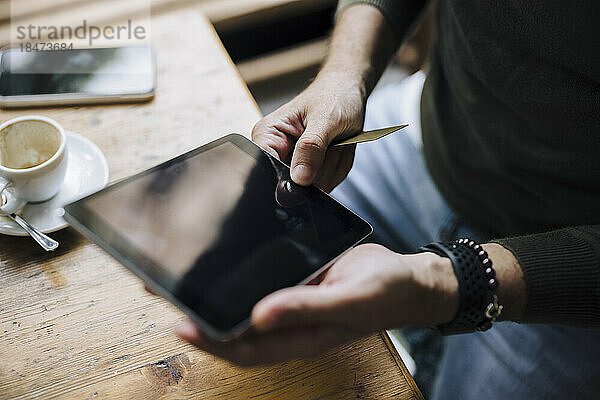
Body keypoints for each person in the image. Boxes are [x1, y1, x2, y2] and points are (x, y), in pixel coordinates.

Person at [176, 1, 600, 398]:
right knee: (219, 264)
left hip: (565, 270)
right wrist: (344, 76)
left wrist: (443, 285)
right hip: (424, 137)